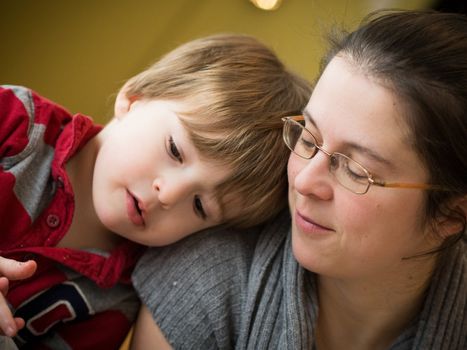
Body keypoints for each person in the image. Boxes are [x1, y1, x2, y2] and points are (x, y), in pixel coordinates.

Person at [130, 10, 467, 350]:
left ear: (450, 215)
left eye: (353, 169)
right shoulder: (205, 280)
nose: (304, 182)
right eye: (308, 138)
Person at [0, 34, 312, 349]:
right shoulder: (15, 122)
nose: (169, 195)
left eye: (200, 206)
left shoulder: (116, 302)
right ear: (135, 98)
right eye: (175, 150)